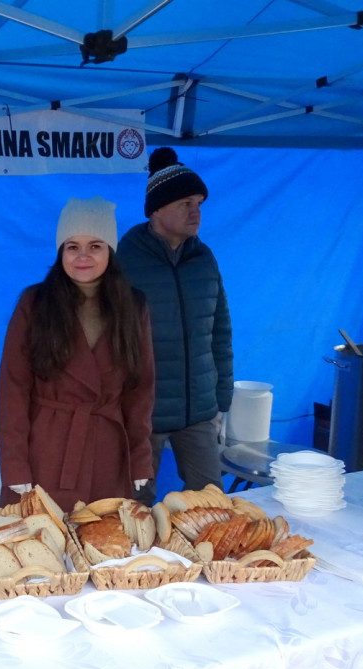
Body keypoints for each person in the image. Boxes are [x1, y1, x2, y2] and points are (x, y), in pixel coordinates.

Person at [0, 197, 155, 513]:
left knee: (103, 544)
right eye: (72, 246)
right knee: (43, 546)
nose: (83, 256)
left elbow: (141, 390)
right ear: (60, 252)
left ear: (109, 250)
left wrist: (140, 459)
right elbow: (13, 390)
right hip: (47, 448)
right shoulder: (35, 303)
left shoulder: (133, 306)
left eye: (95, 246)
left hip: (107, 450)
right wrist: (15, 464)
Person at [116, 147, 234, 506]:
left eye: (198, 202)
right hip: (142, 411)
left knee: (212, 504)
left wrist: (221, 401)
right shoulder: (126, 260)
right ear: (156, 209)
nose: (195, 211)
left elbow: (220, 331)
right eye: (185, 202)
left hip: (198, 410)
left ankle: (211, 565)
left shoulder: (204, 258)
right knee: (135, 507)